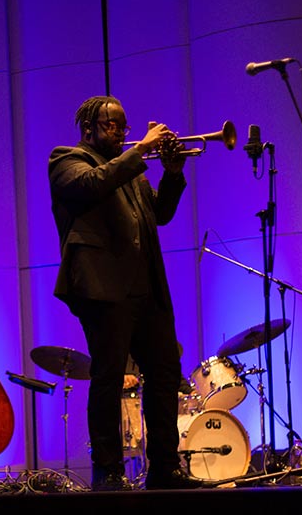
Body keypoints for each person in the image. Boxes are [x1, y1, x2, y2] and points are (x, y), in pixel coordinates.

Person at [48, 95, 202, 490]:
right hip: (101, 287)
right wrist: (142, 149)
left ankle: (165, 468)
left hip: (146, 287)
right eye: (112, 126)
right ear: (89, 129)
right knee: (109, 376)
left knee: (166, 372)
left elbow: (160, 214)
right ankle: (108, 470)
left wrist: (172, 171)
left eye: (123, 127)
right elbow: (92, 185)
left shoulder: (131, 170)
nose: (120, 134)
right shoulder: (66, 159)